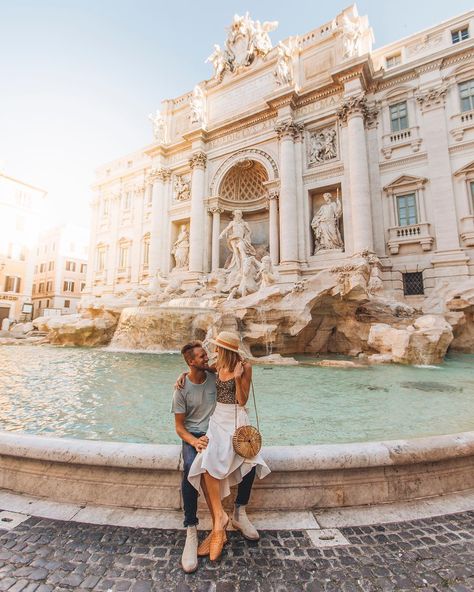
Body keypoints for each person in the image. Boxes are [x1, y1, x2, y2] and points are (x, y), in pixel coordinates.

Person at [171, 338, 262, 573]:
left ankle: (237, 514)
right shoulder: (188, 383)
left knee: (250, 463)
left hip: (224, 425)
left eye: (213, 351)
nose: (209, 355)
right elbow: (179, 427)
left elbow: (241, 399)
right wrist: (192, 440)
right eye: (203, 355)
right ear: (192, 362)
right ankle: (193, 528)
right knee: (193, 465)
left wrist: (240, 374)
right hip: (199, 433)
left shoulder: (217, 370)